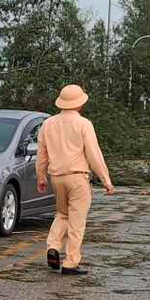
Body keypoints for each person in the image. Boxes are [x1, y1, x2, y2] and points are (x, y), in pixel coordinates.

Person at [35, 84, 115, 277]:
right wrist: (106, 180)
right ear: (80, 104)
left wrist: (41, 176)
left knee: (62, 214)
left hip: (57, 177)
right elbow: (93, 154)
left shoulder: (48, 123)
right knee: (77, 221)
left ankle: (52, 247)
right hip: (78, 177)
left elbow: (41, 153)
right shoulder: (83, 124)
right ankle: (71, 262)